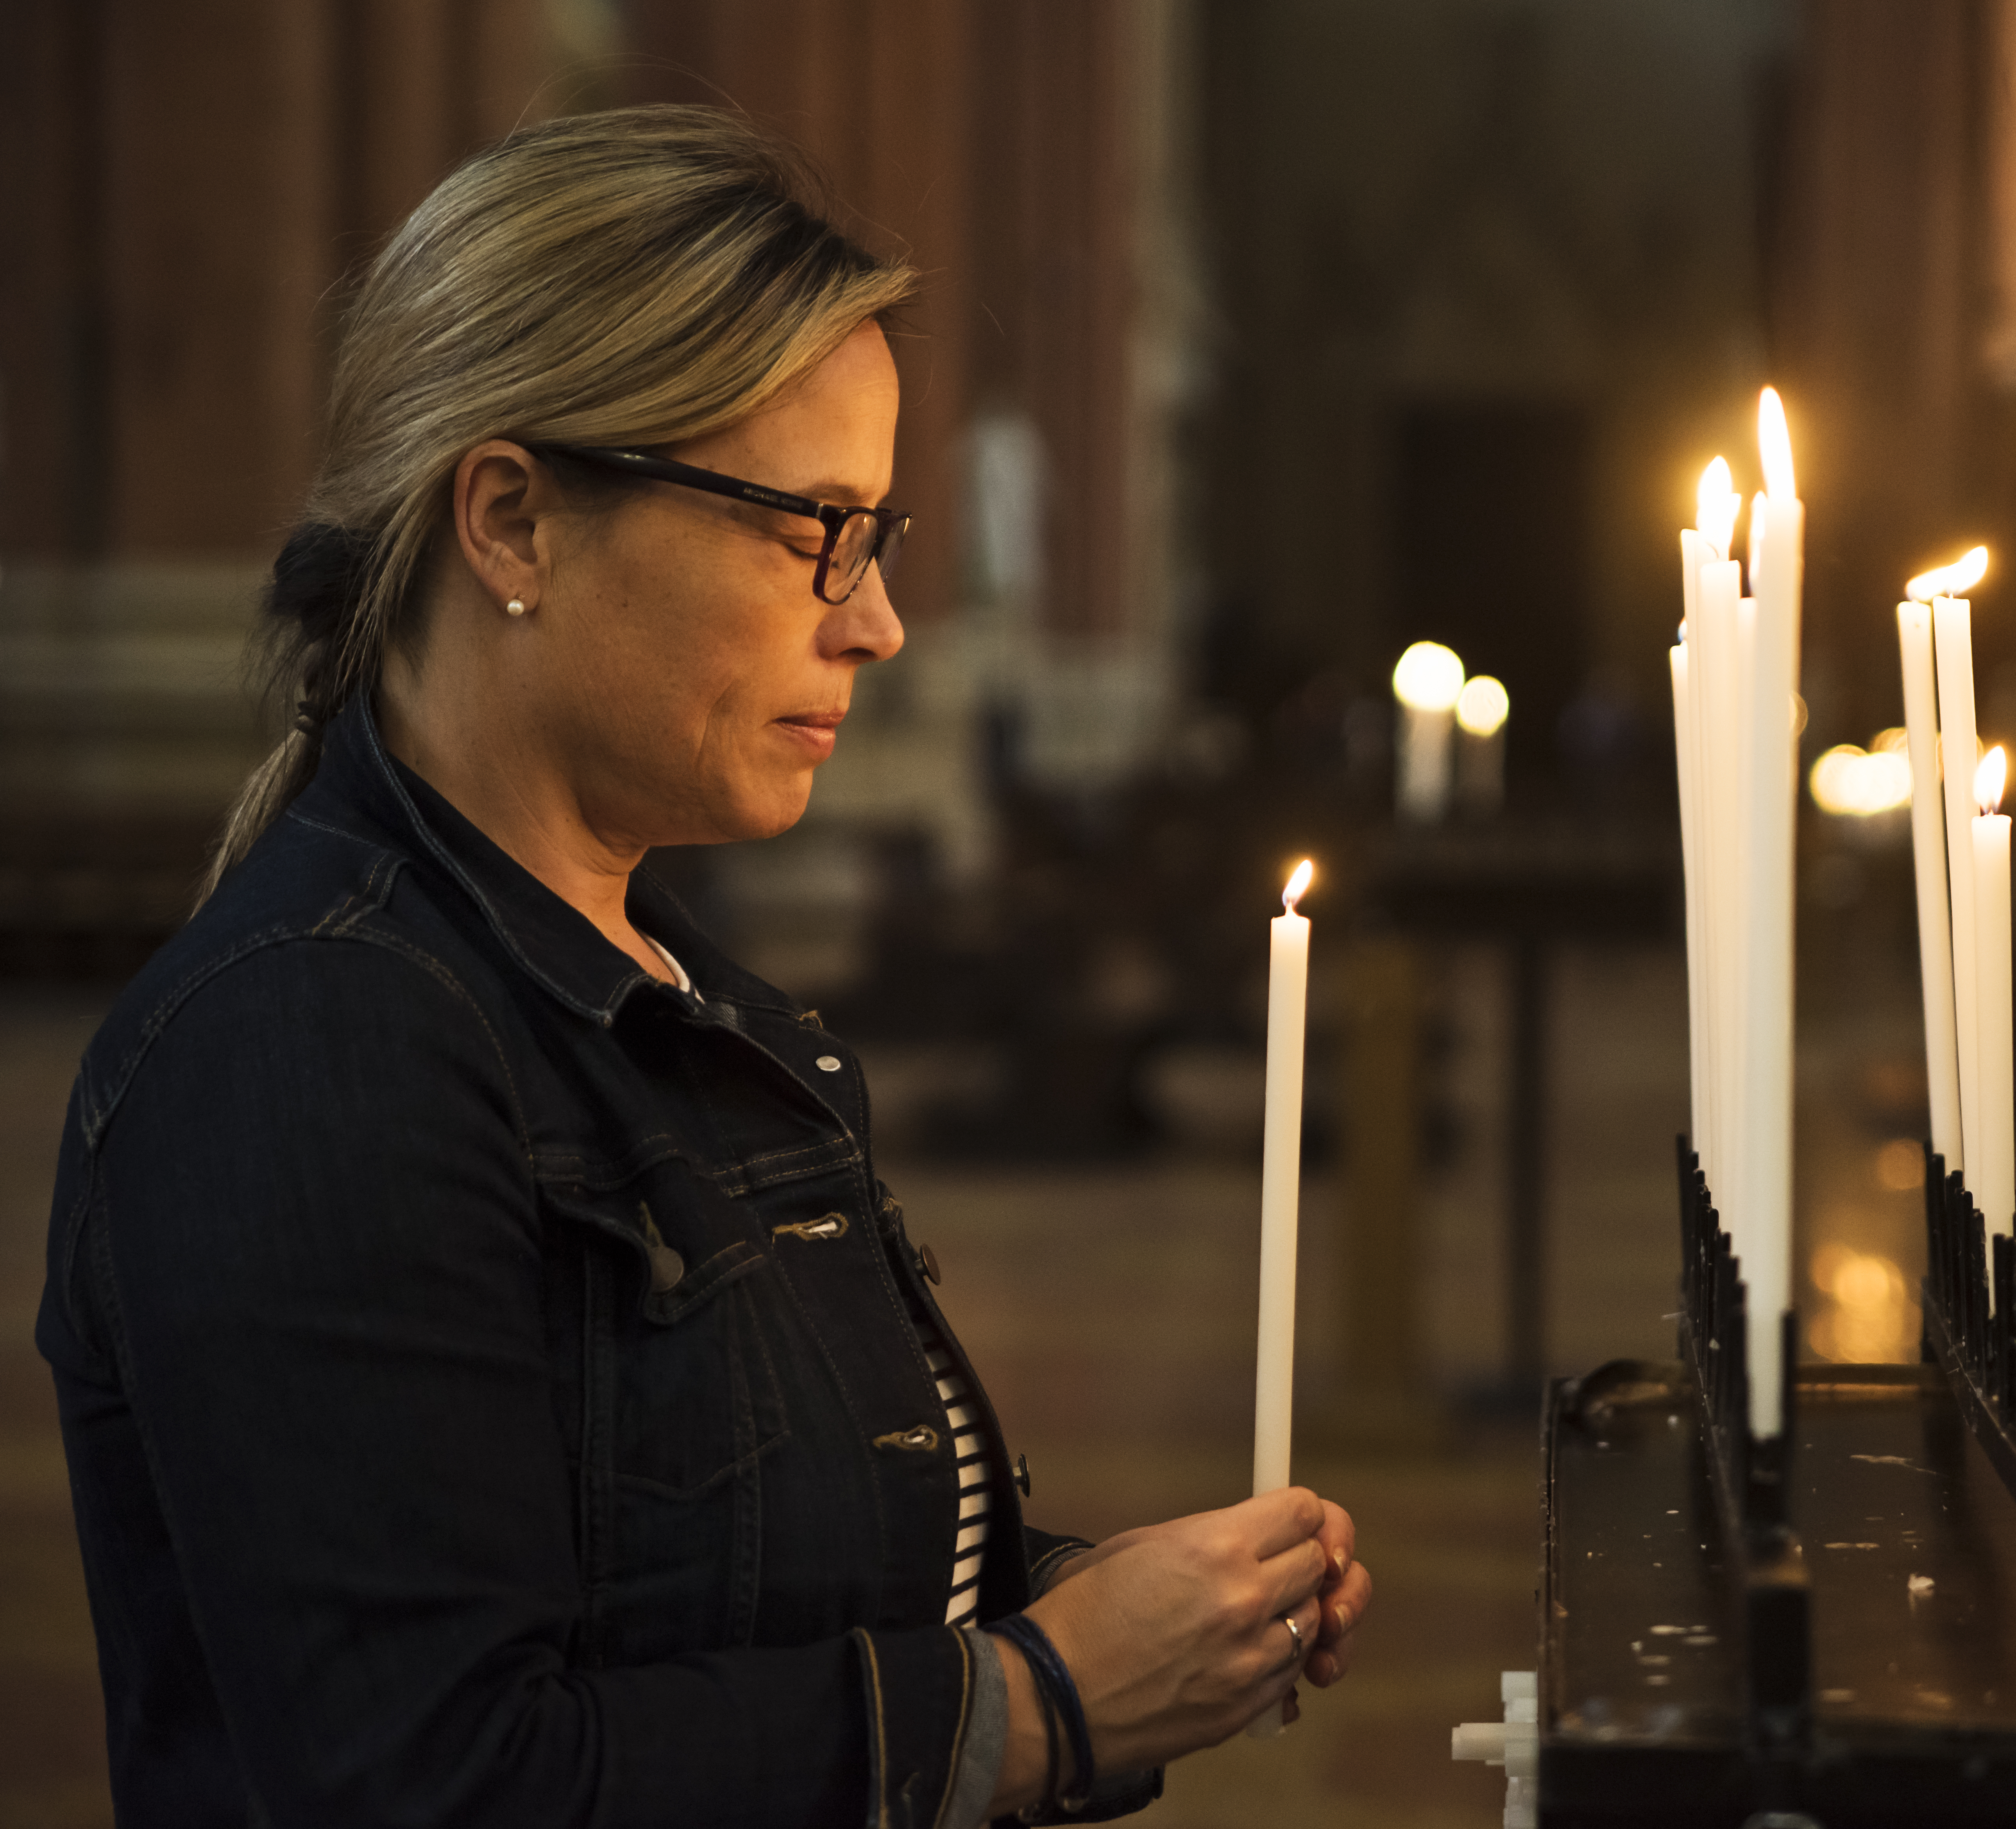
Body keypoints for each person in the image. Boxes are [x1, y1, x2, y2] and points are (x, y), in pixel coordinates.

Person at [36, 107, 1371, 1827]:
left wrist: (1121, 1616)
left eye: (876, 537)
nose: (874, 622)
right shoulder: (307, 1043)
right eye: (811, 525)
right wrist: (1035, 1705)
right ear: (513, 522)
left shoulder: (686, 1001)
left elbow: (732, 1563)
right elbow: (433, 1783)